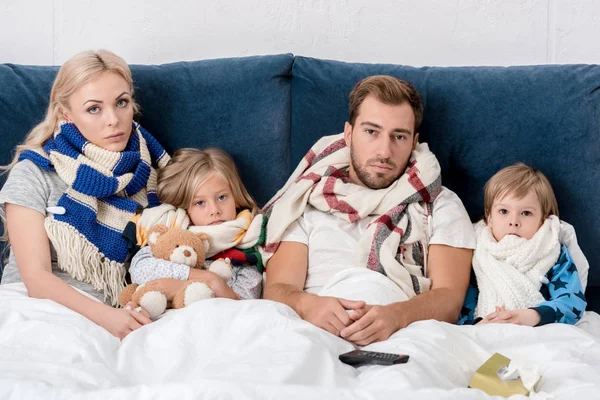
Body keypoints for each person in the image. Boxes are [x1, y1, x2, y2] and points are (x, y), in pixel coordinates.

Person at [263, 75, 476, 346]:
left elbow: (449, 298)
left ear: (414, 142)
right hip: (314, 333)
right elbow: (279, 289)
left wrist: (396, 316)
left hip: (404, 333)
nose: (384, 152)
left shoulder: (440, 203)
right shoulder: (306, 199)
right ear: (349, 134)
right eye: (371, 132)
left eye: (399, 136)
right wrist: (309, 306)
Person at [0, 50, 170, 339]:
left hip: (123, 312)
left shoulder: (151, 171)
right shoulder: (34, 172)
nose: (113, 120)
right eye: (94, 109)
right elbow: (36, 278)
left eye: (121, 103)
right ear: (66, 114)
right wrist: (108, 318)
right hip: (37, 310)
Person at [126, 148, 264, 303]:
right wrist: (208, 278)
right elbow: (139, 269)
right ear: (186, 208)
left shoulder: (247, 245)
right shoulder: (174, 235)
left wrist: (179, 287)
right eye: (200, 202)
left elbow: (244, 307)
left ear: (235, 197)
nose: (215, 210)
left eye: (222, 197)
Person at [461, 163, 586, 326]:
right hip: (486, 329)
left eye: (526, 213)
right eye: (503, 211)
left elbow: (571, 302)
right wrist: (478, 324)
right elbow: (458, 306)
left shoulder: (552, 253)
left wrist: (532, 316)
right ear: (489, 218)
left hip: (539, 330)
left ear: (542, 220)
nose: (514, 222)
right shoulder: (477, 253)